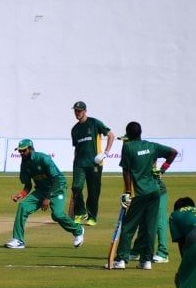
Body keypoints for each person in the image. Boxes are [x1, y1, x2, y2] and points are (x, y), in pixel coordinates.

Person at [114, 121, 178, 270]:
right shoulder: (151, 146)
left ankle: (121, 260)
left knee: (129, 226)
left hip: (140, 193)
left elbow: (126, 171)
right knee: (150, 227)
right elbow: (173, 152)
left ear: (128, 135)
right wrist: (162, 170)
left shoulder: (128, 147)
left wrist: (127, 192)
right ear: (140, 133)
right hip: (155, 192)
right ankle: (146, 261)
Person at [5, 139, 84, 250]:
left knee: (57, 215)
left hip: (58, 188)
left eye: (23, 150)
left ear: (30, 149)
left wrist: (47, 198)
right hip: (41, 190)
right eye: (20, 151)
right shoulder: (24, 164)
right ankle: (18, 240)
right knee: (23, 206)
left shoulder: (43, 158)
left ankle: (78, 230)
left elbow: (56, 179)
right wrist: (21, 194)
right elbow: (28, 185)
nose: (21, 153)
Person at [70, 101, 115, 227]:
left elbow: (111, 135)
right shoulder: (75, 129)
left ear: (85, 111)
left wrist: (105, 153)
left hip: (94, 163)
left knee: (93, 191)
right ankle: (80, 213)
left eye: (79, 111)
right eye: (75, 111)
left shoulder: (94, 123)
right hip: (79, 164)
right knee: (76, 188)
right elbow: (77, 148)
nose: (77, 113)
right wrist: (75, 162)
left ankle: (92, 216)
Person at [151, 165, 170, 264]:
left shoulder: (150, 150)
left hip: (159, 191)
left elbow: (172, 153)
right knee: (142, 220)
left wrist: (162, 170)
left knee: (160, 222)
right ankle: (138, 250)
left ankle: (163, 253)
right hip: (142, 190)